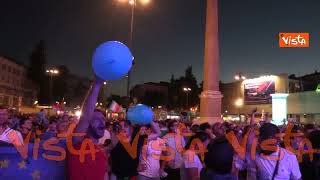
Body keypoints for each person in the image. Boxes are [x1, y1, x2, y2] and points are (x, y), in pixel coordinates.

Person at [68, 78, 107, 180]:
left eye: (103, 119)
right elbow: (86, 115)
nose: (102, 122)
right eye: (97, 119)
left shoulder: (101, 151)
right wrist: (97, 84)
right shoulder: (77, 143)